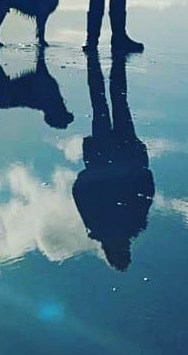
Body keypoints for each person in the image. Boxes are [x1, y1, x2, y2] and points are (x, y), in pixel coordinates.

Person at [72, 50, 155, 271]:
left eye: (118, 252)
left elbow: (79, 190)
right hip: (123, 154)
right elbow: (147, 186)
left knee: (103, 105)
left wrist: (94, 174)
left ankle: (101, 62)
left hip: (108, 156)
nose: (122, 247)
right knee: (116, 103)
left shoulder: (98, 224)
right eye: (124, 251)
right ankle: (111, 62)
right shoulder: (134, 223)